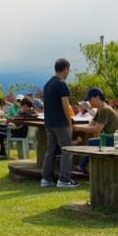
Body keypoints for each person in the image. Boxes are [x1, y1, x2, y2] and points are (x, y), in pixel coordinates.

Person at [41, 58, 79, 188]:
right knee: (67, 150)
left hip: (49, 122)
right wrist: (69, 123)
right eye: (69, 70)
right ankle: (64, 179)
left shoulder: (47, 84)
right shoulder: (61, 84)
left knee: (50, 150)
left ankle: (46, 179)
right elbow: (65, 105)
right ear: (66, 69)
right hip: (60, 123)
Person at [72, 87, 118, 178]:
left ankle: (82, 167)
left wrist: (78, 128)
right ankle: (82, 167)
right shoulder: (100, 110)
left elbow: (96, 129)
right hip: (110, 138)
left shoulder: (105, 110)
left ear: (97, 97)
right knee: (91, 142)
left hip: (115, 140)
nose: (89, 102)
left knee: (91, 142)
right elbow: (91, 125)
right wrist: (76, 127)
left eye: (90, 99)